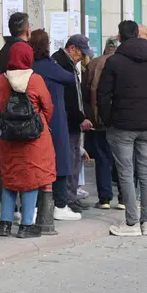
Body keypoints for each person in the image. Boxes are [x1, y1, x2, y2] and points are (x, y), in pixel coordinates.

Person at [98, 20, 147, 237]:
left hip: (122, 125)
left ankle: (131, 223)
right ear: (137, 34)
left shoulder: (115, 61)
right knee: (145, 173)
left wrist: (108, 120)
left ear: (119, 36)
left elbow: (103, 95)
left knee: (126, 173)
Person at [0, 42, 56, 238]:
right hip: (34, 140)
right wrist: (40, 124)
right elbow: (47, 106)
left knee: (10, 177)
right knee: (31, 179)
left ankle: (4, 224)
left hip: (8, 138)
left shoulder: (0, 80)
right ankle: (26, 225)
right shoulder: (35, 80)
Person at [30, 30, 81, 221]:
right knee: (61, 159)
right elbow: (69, 78)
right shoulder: (47, 66)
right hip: (55, 118)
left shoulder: (31, 66)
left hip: (34, 119)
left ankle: (32, 205)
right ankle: (60, 203)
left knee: (36, 161)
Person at [52, 35, 94, 212]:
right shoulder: (61, 63)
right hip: (68, 122)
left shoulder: (69, 64)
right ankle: (67, 198)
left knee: (75, 159)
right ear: (72, 49)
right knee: (69, 160)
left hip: (73, 121)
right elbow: (69, 99)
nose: (82, 58)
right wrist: (80, 117)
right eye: (80, 54)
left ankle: (72, 195)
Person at [82, 36, 120, 209]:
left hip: (98, 121)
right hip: (120, 121)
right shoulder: (124, 62)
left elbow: (84, 92)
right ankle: (124, 199)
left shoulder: (94, 63)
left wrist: (89, 115)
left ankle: (105, 199)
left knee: (103, 159)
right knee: (123, 159)